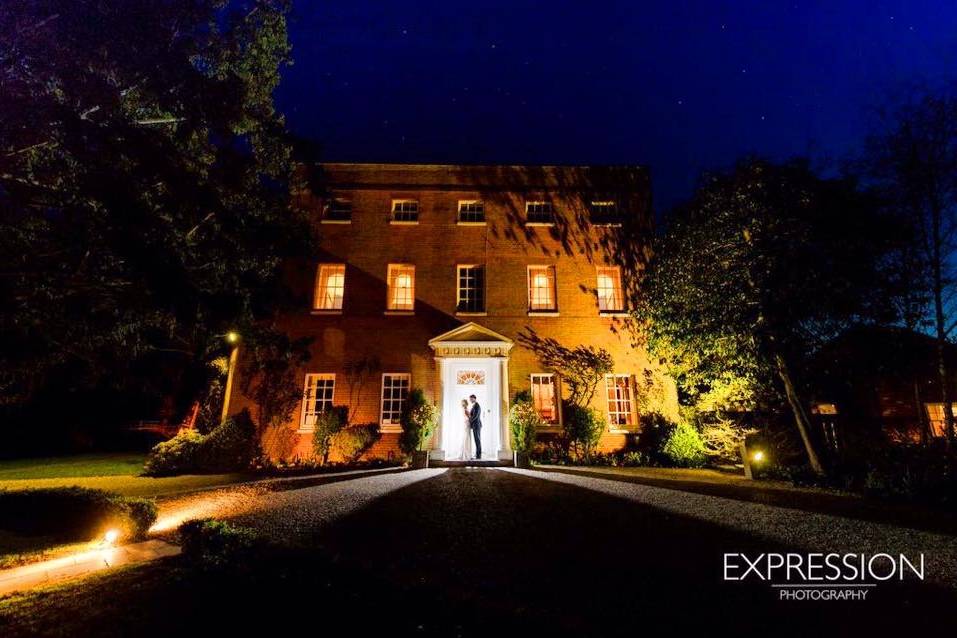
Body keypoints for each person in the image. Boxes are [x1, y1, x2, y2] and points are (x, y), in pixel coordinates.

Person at [468, 394, 482, 459]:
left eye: (471, 399)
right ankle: (477, 454)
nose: (470, 400)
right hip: (475, 425)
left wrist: (470, 421)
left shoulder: (477, 406)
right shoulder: (474, 406)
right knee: (476, 440)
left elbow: (475, 416)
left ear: (474, 398)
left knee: (477, 440)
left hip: (476, 425)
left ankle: (478, 455)